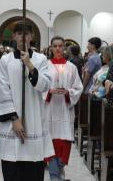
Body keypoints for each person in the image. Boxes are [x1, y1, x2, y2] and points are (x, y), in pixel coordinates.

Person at [0, 22, 53, 181]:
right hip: (12, 122)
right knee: (12, 170)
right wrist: (14, 119)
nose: (23, 37)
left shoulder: (41, 59)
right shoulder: (5, 60)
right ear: (14, 36)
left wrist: (29, 64)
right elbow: (3, 90)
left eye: (27, 33)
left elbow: (45, 85)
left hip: (34, 119)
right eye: (19, 33)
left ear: (32, 36)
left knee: (33, 171)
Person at [44, 36, 83, 181]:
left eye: (61, 46)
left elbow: (78, 87)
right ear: (51, 48)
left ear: (64, 48)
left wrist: (68, 93)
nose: (58, 48)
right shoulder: (45, 66)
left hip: (65, 111)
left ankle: (58, 173)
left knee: (64, 144)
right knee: (50, 144)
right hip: (50, 110)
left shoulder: (71, 67)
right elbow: (40, 87)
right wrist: (49, 91)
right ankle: (55, 176)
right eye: (55, 46)